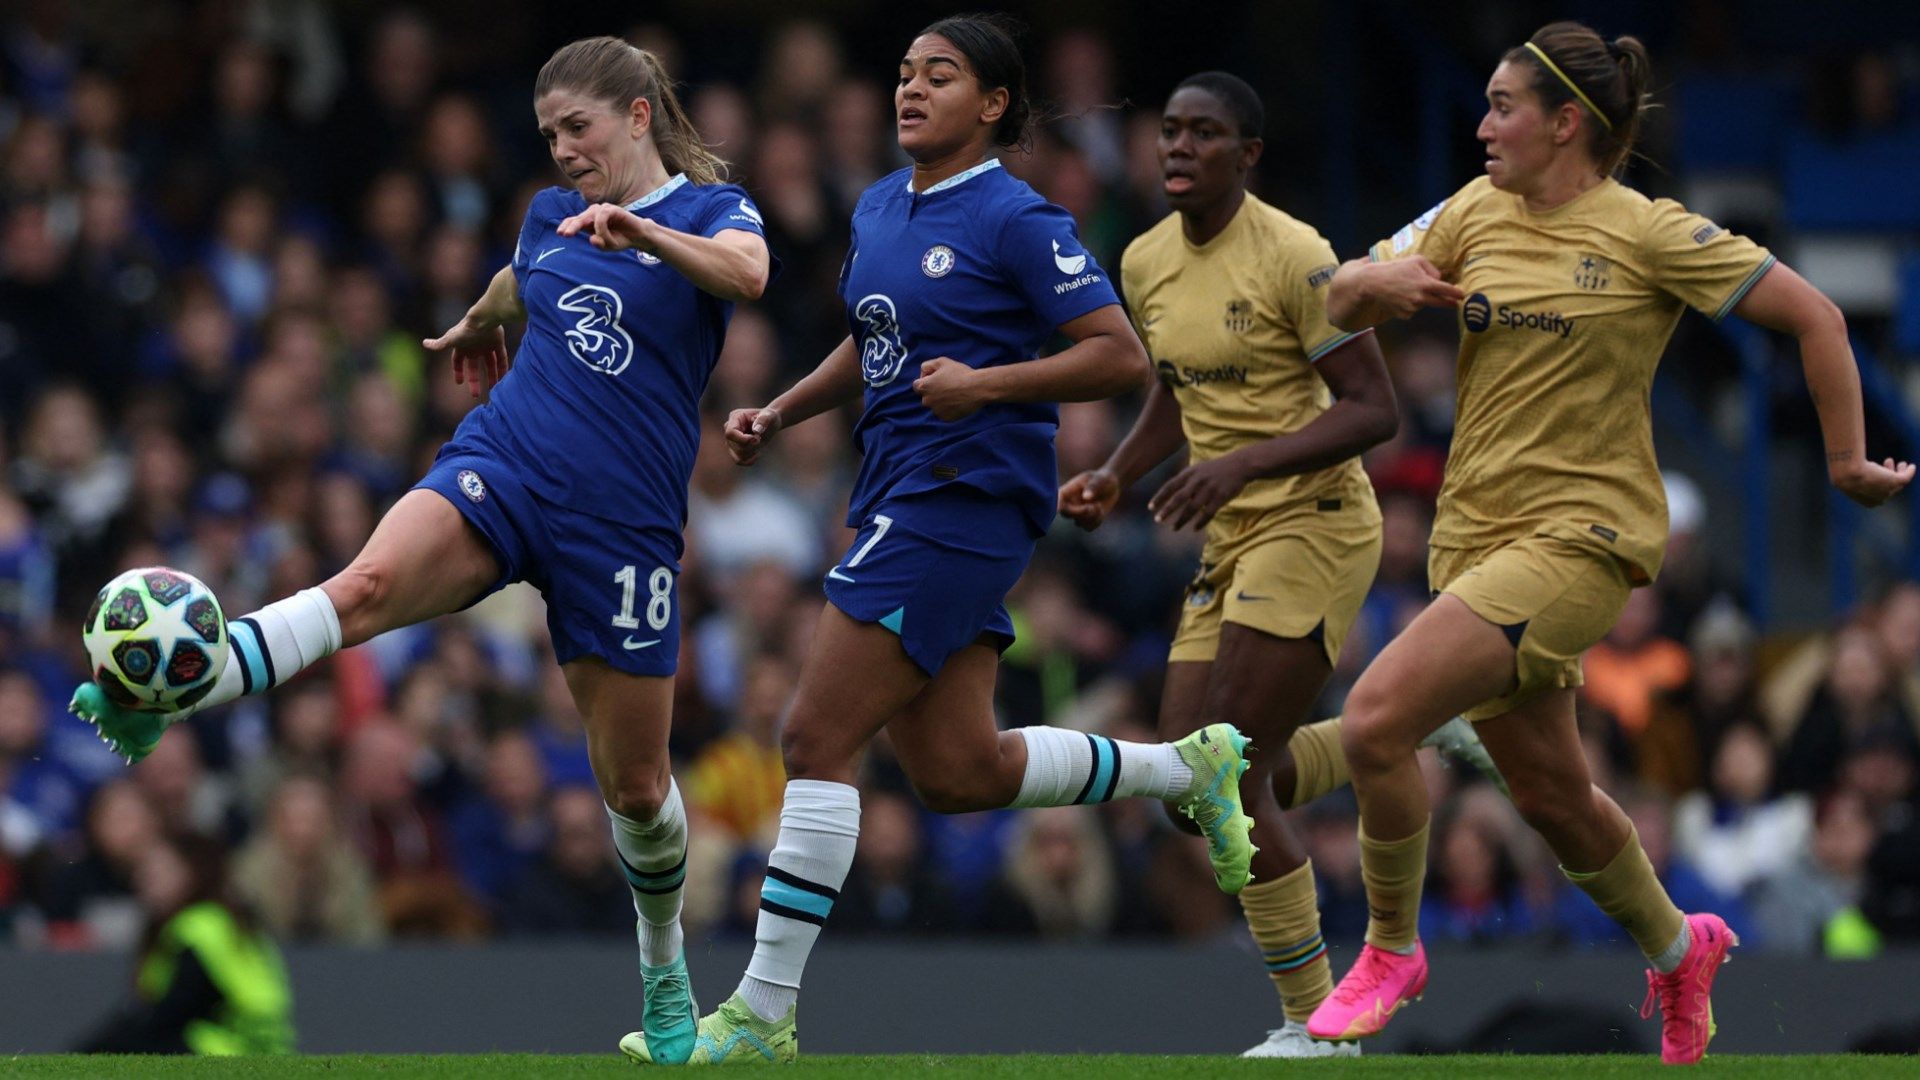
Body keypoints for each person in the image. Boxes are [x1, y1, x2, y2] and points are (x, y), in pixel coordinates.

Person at [71, 35, 774, 1065]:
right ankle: (165, 692)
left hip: (622, 526)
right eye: (547, 136)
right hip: (509, 461)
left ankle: (664, 968)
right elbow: (527, 270)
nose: (563, 153)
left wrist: (644, 234)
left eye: (577, 129)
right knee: (361, 586)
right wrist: (489, 311)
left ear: (635, 116)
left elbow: (750, 277)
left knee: (635, 790)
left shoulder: (714, 215)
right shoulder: (547, 216)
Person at [622, 15, 1255, 1065]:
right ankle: (1185, 770)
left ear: (994, 104)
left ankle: (763, 1013)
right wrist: (782, 411)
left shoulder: (1017, 217)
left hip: (963, 498)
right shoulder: (879, 205)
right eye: (906, 73)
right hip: (898, 489)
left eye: (941, 76)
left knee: (814, 738)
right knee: (958, 771)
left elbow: (1118, 357)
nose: (911, 90)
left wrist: (987, 385)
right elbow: (875, 342)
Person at [1301, 21, 1914, 1064]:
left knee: (1373, 720)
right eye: (1486, 103)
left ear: (1566, 124)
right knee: (1551, 796)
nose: (1484, 125)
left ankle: (1390, 951)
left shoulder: (1649, 231)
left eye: (1503, 107)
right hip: (1474, 542)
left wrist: (1849, 461)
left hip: (1586, 541)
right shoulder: (1469, 211)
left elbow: (1817, 318)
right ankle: (1682, 951)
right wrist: (1377, 288)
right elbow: (1332, 299)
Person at [1056, 70, 1397, 1059]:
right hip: (1230, 530)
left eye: (1204, 134)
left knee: (1223, 773)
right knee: (1183, 791)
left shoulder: (1297, 257)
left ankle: (1319, 1023)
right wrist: (1120, 471)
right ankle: (1390, 740)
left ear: (1247, 157)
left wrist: (1238, 463)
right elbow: (1175, 385)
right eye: (1168, 131)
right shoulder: (1146, 258)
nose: (1177, 147)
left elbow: (1376, 410)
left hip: (1317, 519)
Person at [76, 839, 294, 1056]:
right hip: (264, 1049)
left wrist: (89, 1051)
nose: (145, 880)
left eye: (159, 871)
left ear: (192, 873)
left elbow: (171, 1012)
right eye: (144, 871)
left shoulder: (198, 927)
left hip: (221, 1051)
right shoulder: (228, 920)